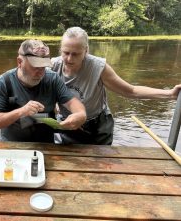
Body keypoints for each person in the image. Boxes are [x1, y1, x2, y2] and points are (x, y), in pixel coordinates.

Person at [52, 26, 181, 145]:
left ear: (86, 51)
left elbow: (131, 91)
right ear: (60, 49)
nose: (69, 59)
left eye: (75, 54)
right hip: (68, 124)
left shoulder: (98, 67)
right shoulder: (52, 67)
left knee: (102, 164)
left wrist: (170, 94)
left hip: (98, 127)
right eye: (66, 52)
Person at [0, 39, 87, 143]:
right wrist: (21, 111)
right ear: (20, 62)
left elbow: (72, 102)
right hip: (13, 145)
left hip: (46, 144)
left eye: (43, 66)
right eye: (35, 66)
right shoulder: (3, 83)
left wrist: (81, 115)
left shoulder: (53, 79)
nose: (40, 72)